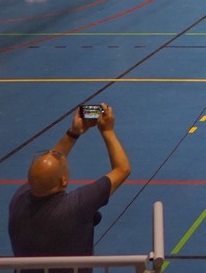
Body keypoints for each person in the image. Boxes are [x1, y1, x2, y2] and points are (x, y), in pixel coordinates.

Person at [7, 104, 131, 270]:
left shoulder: (18, 201)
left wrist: (73, 133)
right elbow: (122, 169)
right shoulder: (77, 205)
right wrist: (107, 131)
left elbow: (46, 167)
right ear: (64, 181)